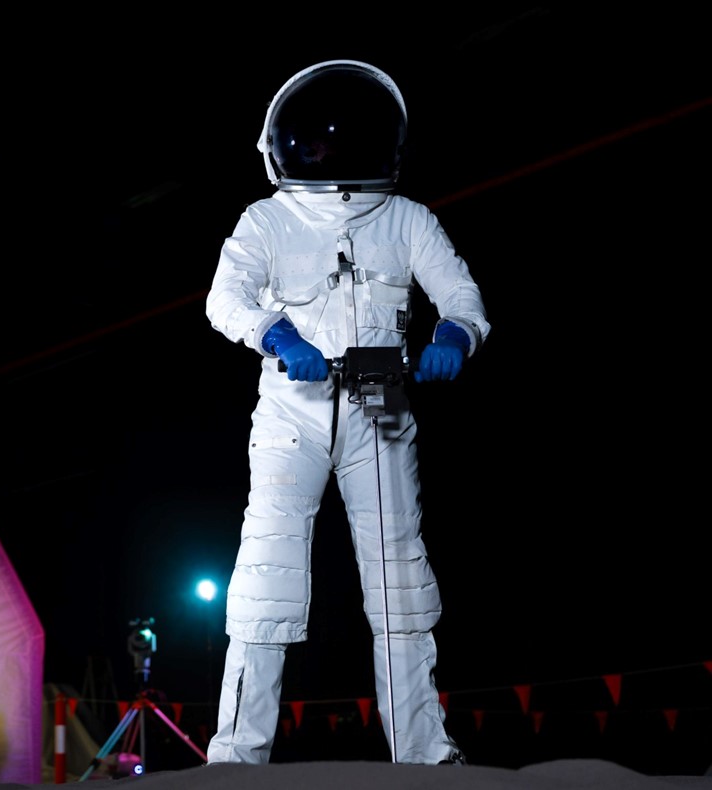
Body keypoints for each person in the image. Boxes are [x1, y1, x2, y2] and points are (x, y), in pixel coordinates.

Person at [204, 59, 489, 766]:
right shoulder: (267, 219)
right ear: (287, 145)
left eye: (347, 139)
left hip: (381, 414)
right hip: (291, 415)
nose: (331, 153)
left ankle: (424, 755)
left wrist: (453, 337)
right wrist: (277, 335)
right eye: (320, 140)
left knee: (401, 581)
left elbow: (462, 297)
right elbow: (225, 297)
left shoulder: (407, 220)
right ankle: (236, 759)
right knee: (268, 574)